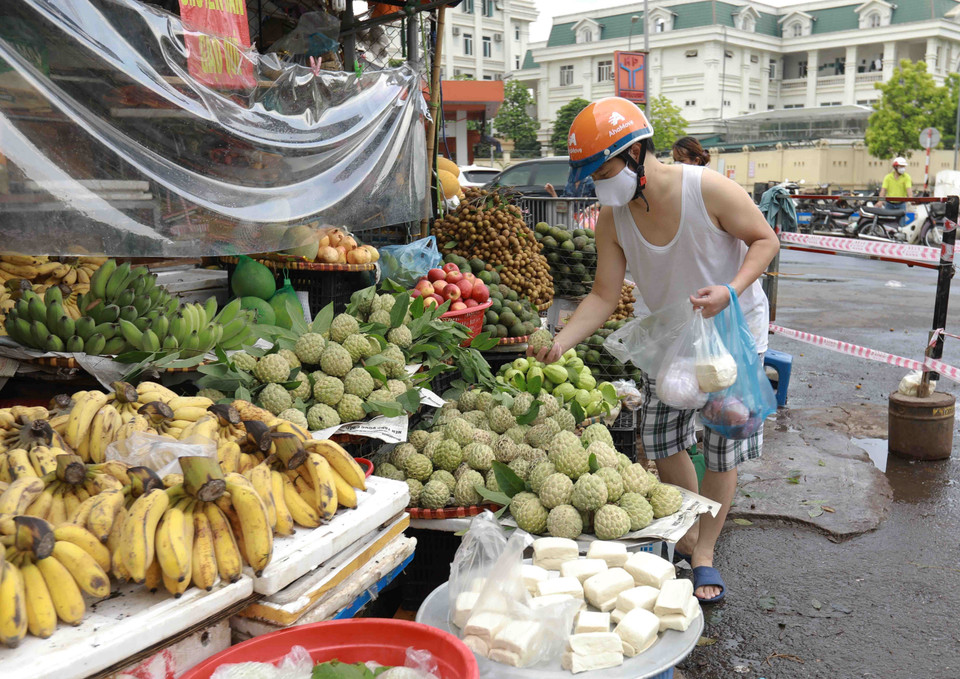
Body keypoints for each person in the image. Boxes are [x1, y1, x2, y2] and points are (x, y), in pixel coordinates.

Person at [529, 97, 779, 604]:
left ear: (638, 152)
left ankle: (704, 553)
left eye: (606, 167)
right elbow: (602, 294)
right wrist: (560, 341)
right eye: (593, 173)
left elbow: (765, 240)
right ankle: (688, 530)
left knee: (721, 443)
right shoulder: (613, 218)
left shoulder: (706, 189)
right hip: (670, 337)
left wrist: (729, 290)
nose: (601, 181)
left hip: (728, 333)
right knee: (663, 439)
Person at [879, 157, 912, 222]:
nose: (903, 168)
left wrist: (911, 198)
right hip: (889, 204)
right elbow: (883, 190)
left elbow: (909, 190)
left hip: (901, 205)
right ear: (895, 167)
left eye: (904, 167)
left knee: (901, 225)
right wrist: (880, 201)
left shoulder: (906, 177)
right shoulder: (888, 177)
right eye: (901, 166)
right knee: (887, 224)